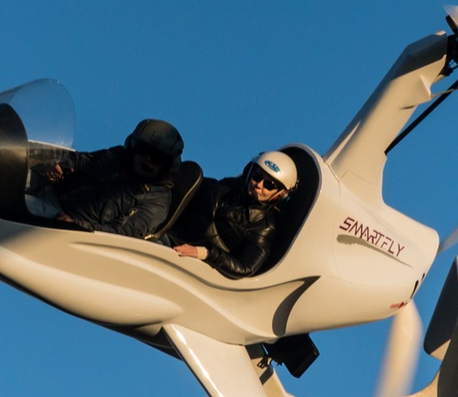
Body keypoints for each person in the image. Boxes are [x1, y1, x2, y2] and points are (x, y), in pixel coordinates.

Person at [27, 119, 184, 239]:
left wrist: (76, 225)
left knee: (26, 204)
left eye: (156, 158)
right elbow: (81, 160)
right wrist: (58, 164)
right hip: (49, 193)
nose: (147, 160)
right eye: (143, 151)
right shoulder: (116, 157)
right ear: (134, 147)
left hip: (67, 225)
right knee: (19, 170)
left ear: (167, 165)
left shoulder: (157, 200)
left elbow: (124, 234)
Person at [167, 150, 297, 279]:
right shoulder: (228, 186)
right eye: (257, 176)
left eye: (269, 185)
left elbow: (245, 267)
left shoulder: (263, 228)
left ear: (281, 195)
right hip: (171, 237)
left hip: (194, 267)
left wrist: (205, 253)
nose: (258, 185)